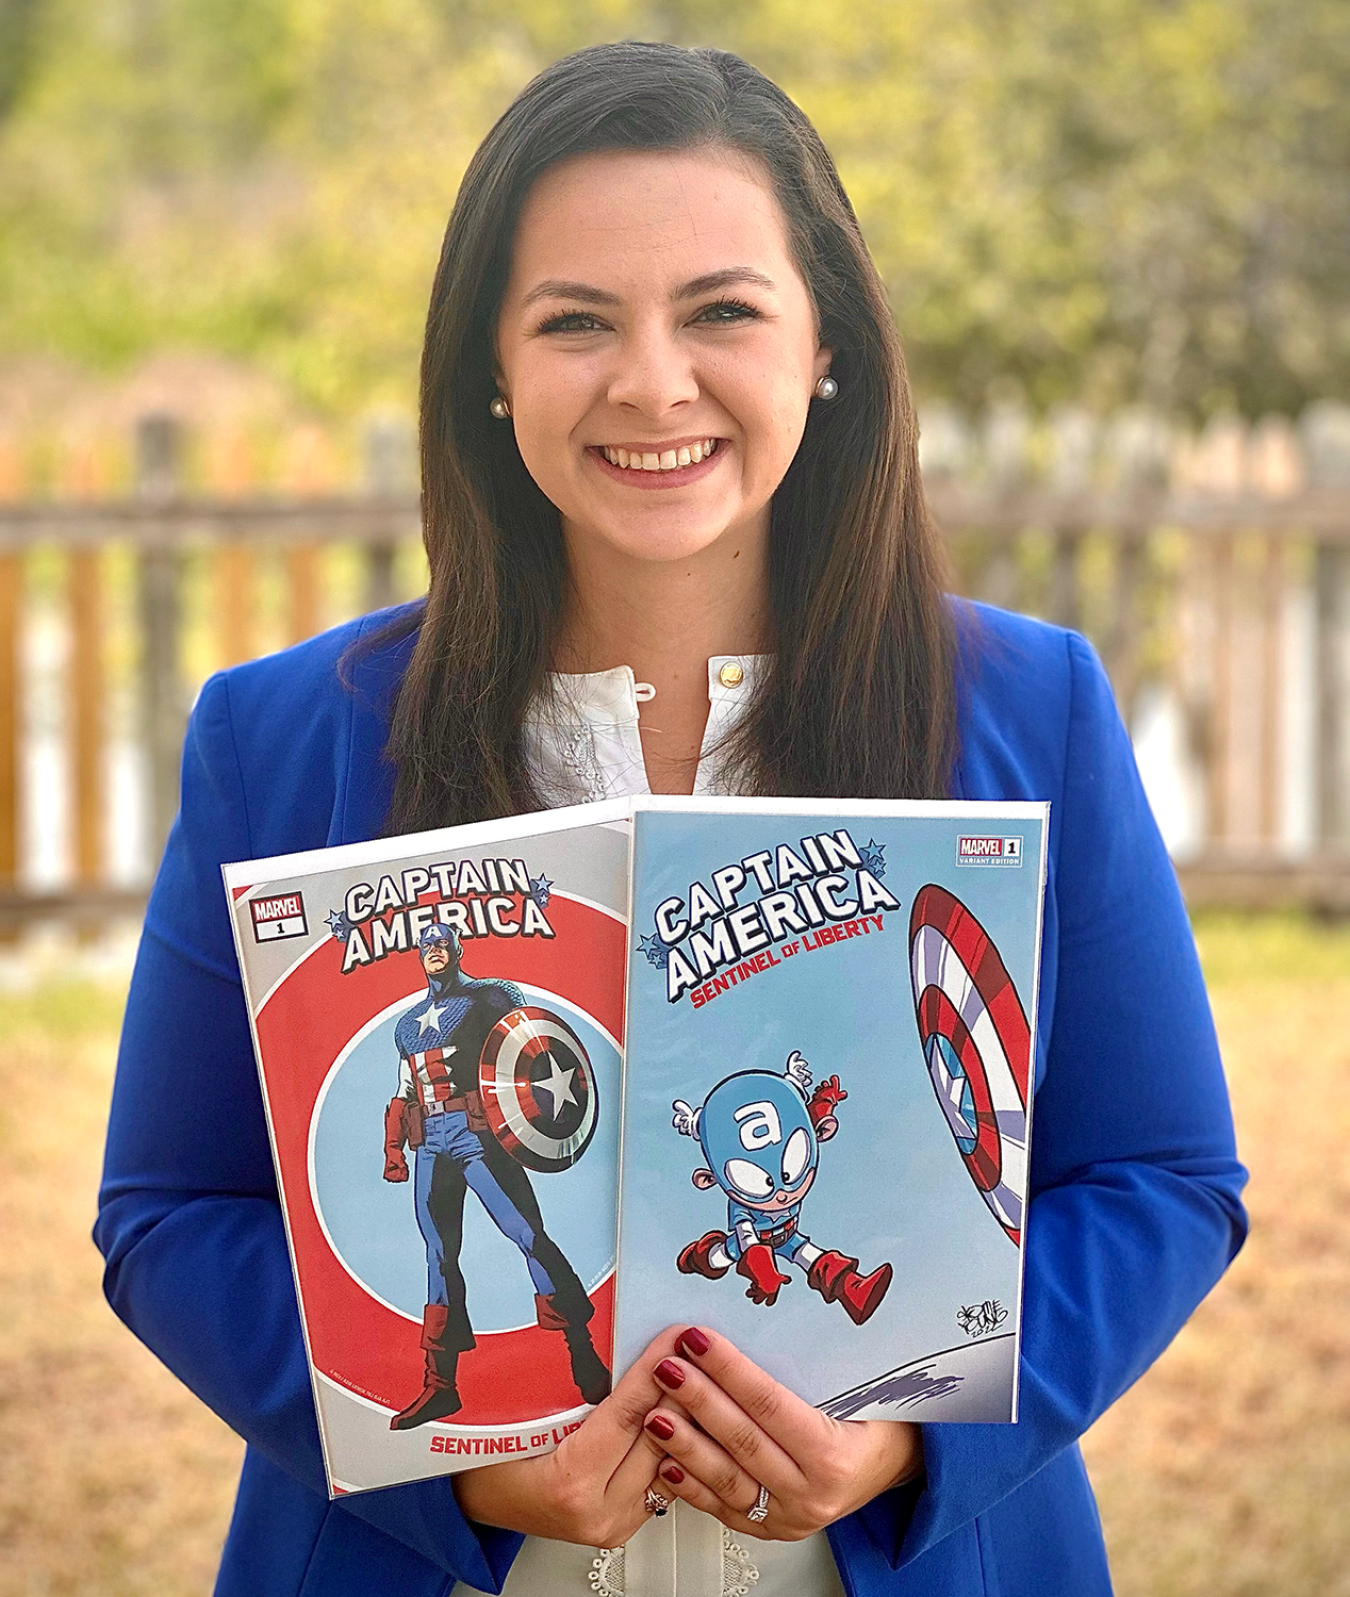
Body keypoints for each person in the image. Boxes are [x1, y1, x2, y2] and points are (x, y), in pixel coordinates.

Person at [95, 40, 1247, 1597]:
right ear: (488, 371)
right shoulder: (286, 734)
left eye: (721, 310)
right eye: (576, 321)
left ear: (822, 344)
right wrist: (469, 1465)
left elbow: (1164, 1174)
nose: (653, 382)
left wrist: (906, 1440)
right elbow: (171, 1213)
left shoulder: (1026, 705)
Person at [383, 921, 611, 1429]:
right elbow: (405, 1088)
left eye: (442, 944)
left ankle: (582, 1350)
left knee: (527, 1234)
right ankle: (439, 1386)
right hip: (433, 1142)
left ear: (458, 949)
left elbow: (532, 1048)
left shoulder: (491, 998)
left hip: (479, 1133)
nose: (435, 952)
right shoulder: (406, 1024)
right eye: (427, 947)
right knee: (439, 1254)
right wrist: (393, 1146)